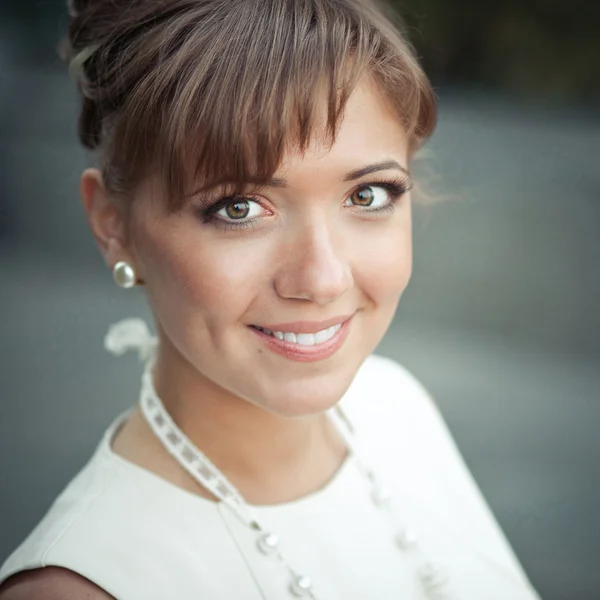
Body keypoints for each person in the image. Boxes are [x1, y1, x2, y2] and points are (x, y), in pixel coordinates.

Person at [0, 0, 542, 598]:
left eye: (367, 195)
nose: (323, 278)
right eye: (239, 208)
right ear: (112, 224)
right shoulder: (78, 586)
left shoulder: (398, 408)